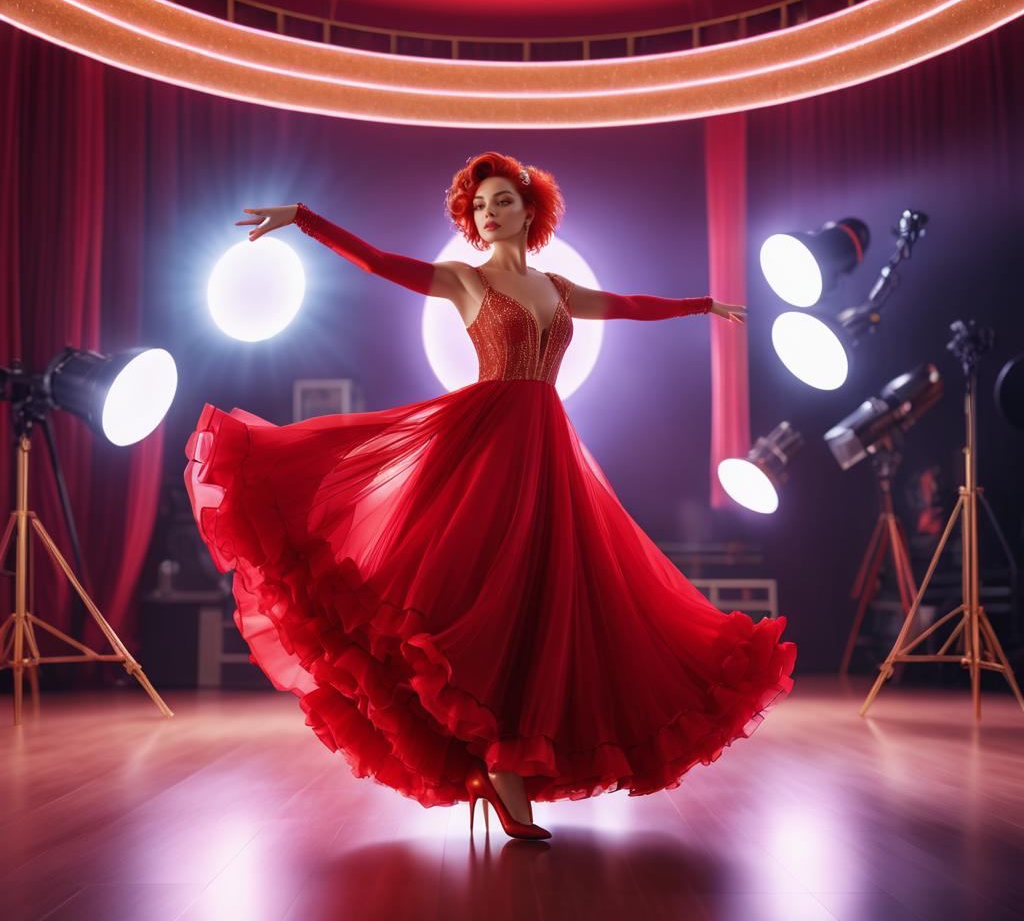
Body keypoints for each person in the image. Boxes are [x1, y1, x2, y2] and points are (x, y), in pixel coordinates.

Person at [183, 151, 796, 841]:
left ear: (529, 212)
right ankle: (503, 777)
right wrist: (306, 221)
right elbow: (381, 262)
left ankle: (510, 770)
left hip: (549, 451)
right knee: (479, 601)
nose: (489, 213)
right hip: (487, 445)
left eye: (502, 201)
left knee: (547, 604)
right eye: (479, 206)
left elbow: (624, 306)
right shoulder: (465, 281)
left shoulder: (559, 289)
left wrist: (701, 305)